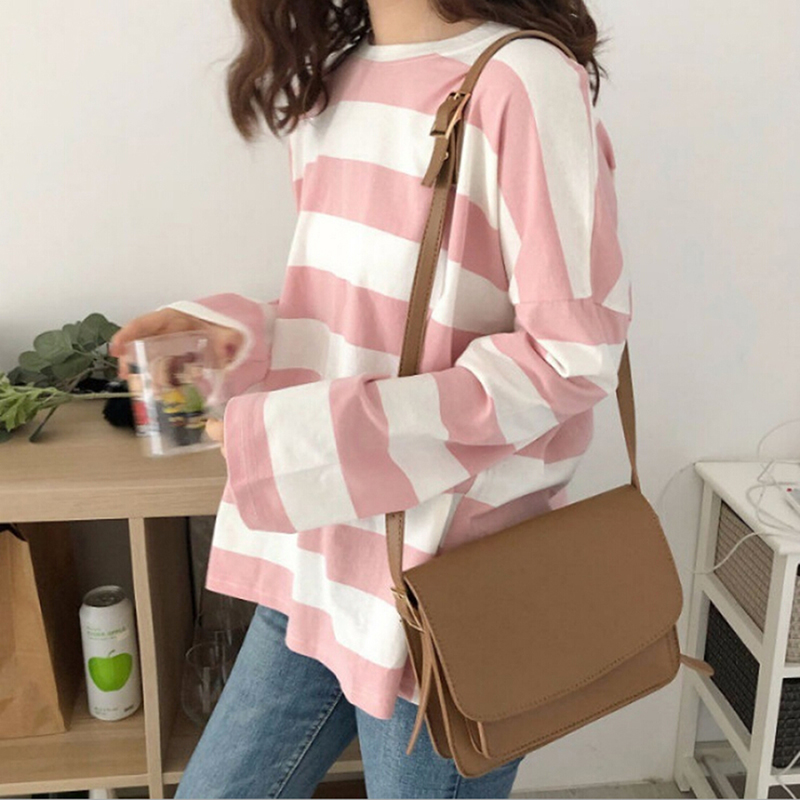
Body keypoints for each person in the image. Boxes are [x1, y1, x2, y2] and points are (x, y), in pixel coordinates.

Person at [110, 0, 628, 796]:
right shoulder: (334, 83)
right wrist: (234, 337)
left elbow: (571, 358)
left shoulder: (521, 80)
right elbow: (363, 318)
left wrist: (318, 437)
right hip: (322, 559)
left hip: (446, 592)